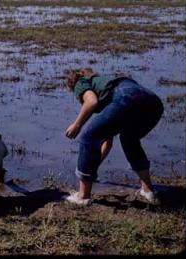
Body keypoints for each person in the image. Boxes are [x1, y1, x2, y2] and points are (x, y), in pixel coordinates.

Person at [64, 68, 163, 205]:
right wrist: (93, 167)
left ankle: (82, 196)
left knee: (88, 137)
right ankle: (148, 191)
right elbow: (107, 142)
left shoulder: (81, 82)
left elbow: (91, 102)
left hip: (126, 96)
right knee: (129, 139)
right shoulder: (106, 87)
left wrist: (77, 125)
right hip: (153, 102)